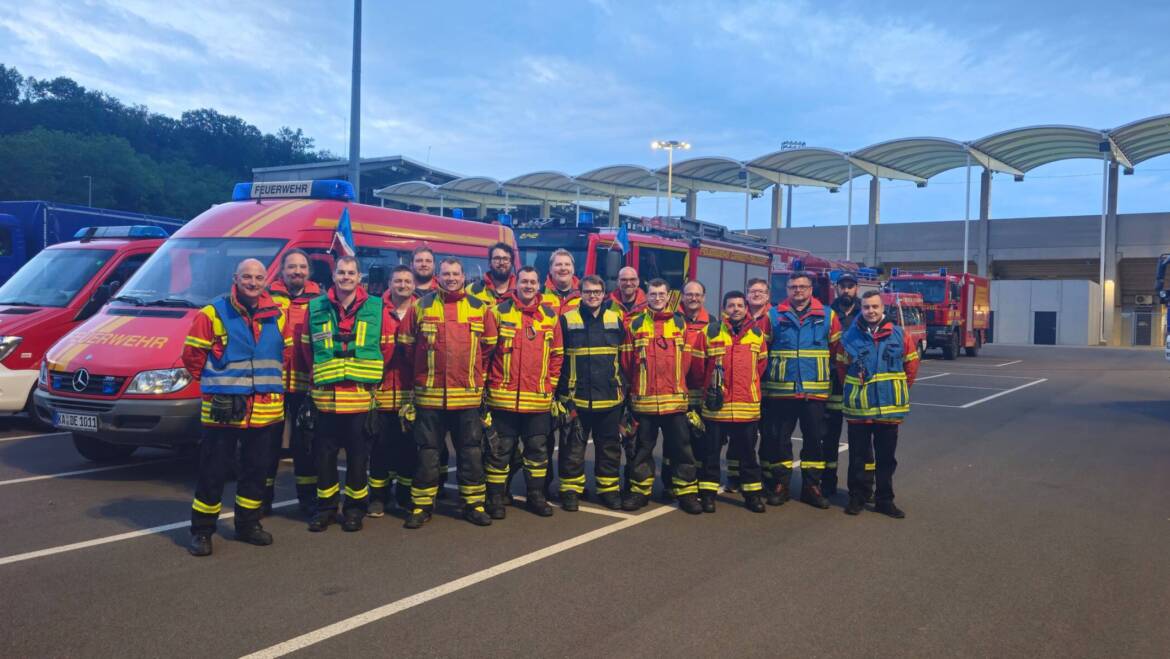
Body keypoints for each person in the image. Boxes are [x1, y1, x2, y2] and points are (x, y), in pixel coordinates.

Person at [184, 259, 289, 556]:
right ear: (236, 279)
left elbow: (287, 354)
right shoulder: (212, 313)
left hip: (266, 409)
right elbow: (192, 355)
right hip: (223, 409)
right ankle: (202, 531)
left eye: (258, 277)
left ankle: (248, 525)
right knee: (213, 473)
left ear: (265, 280)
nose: (253, 283)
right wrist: (215, 383)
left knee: (256, 472)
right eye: (247, 277)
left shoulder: (278, 314)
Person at [398, 257, 498, 529]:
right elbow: (407, 346)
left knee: (471, 452)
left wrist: (473, 375)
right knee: (428, 453)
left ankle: (474, 504)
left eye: (455, 273)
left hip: (467, 396)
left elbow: (488, 347)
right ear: (437, 276)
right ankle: (421, 505)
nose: (451, 278)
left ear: (463, 275)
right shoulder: (421, 306)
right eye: (446, 273)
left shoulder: (481, 308)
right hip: (429, 396)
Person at [304, 256, 384, 533]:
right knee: (324, 459)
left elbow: (387, 346)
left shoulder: (376, 307)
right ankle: (325, 510)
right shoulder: (315, 307)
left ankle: (354, 510)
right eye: (341, 272)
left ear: (359, 277)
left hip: (360, 399)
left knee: (357, 459)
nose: (346, 277)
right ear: (334, 275)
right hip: (325, 399)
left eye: (351, 272)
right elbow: (306, 349)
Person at [483, 266, 564, 518]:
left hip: (537, 401)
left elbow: (557, 356)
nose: (528, 286)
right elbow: (485, 355)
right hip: (503, 400)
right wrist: (487, 389)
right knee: (500, 452)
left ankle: (536, 496)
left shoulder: (550, 316)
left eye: (533, 281)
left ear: (539, 285)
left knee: (537, 453)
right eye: (524, 281)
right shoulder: (497, 313)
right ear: (515, 283)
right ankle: (496, 497)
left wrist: (548, 385)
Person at [620, 278, 703, 513]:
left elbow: (687, 361)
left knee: (681, 449)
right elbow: (627, 363)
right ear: (646, 296)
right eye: (653, 294)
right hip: (644, 401)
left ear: (669, 297)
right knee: (641, 450)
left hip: (675, 401)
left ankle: (686, 493)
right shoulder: (635, 325)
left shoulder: (680, 324)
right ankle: (639, 492)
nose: (657, 298)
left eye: (661, 294)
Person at [760, 271, 841, 509]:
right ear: (787, 290)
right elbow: (762, 352)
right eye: (793, 287)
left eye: (803, 287)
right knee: (779, 440)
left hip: (814, 392)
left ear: (811, 289)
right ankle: (781, 485)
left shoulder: (828, 315)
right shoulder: (773, 315)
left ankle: (811, 487)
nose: (798, 291)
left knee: (814, 440)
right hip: (781, 391)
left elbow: (837, 352)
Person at [837, 290, 919, 518]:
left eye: (875, 307)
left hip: (888, 409)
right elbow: (842, 368)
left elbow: (910, 367)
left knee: (886, 459)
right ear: (860, 309)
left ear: (883, 309)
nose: (871, 311)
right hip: (859, 409)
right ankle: (857, 497)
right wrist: (855, 392)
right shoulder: (849, 337)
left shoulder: (899, 335)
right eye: (866, 307)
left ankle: (885, 500)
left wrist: (897, 390)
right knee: (857, 457)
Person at [693, 290, 768, 513]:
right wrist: (708, 390)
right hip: (717, 407)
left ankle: (752, 495)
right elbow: (699, 367)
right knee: (711, 453)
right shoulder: (711, 331)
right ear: (724, 308)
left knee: (747, 455)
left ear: (746, 309)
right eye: (731, 305)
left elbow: (760, 367)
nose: (735, 309)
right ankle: (708, 495)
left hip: (746, 406)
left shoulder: (757, 334)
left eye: (739, 305)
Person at [556, 275, 627, 510]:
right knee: (572, 447)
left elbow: (625, 360)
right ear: (580, 293)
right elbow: (558, 358)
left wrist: (624, 392)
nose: (592, 295)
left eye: (597, 291)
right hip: (576, 397)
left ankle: (608, 490)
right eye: (588, 292)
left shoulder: (616, 320)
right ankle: (570, 490)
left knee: (609, 448)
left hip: (609, 398)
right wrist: (560, 395)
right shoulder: (566, 320)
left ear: (604, 294)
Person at [264, 249, 321, 517]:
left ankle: (307, 500)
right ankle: (261, 500)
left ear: (308, 271)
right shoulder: (265, 298)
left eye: (301, 267)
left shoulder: (320, 300)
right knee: (267, 445)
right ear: (282, 270)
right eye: (291, 267)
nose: (296, 271)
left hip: (304, 384)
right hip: (271, 383)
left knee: (305, 446)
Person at [369, 265, 416, 517]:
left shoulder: (422, 309)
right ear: (390, 282)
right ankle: (378, 497)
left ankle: (405, 497)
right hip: (382, 391)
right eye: (398, 280)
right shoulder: (375, 309)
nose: (403, 285)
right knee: (379, 449)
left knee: (408, 449)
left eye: (407, 281)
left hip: (411, 393)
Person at [725, 277, 772, 493]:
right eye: (752, 291)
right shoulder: (722, 326)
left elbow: (761, 363)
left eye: (760, 291)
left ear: (767, 295)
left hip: (757, 391)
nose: (756, 294)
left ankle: (762, 478)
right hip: (733, 394)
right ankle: (734, 477)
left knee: (760, 439)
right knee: (739, 440)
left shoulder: (773, 318)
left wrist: (750, 380)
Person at [822, 273, 862, 496]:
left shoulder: (865, 313)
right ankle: (828, 482)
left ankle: (860, 488)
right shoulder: (827, 313)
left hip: (859, 382)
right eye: (843, 286)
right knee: (829, 437)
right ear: (836, 288)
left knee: (861, 440)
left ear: (856, 289)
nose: (846, 290)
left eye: (850, 286)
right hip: (833, 382)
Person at [467, 241, 517, 306]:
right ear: (489, 263)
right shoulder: (472, 291)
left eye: (505, 259)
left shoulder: (520, 291)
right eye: (497, 258)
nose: (501, 263)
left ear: (512, 263)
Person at [541, 248, 581, 314]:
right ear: (550, 269)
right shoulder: (539, 294)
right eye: (558, 264)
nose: (563, 268)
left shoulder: (584, 294)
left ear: (573, 269)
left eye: (567, 264)